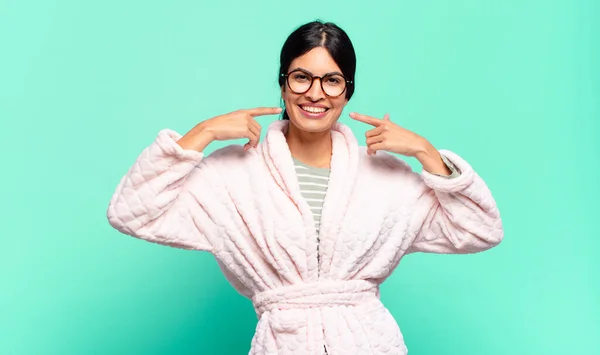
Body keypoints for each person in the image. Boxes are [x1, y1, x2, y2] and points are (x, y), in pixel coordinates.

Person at [106, 20, 503, 355]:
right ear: (282, 85)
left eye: (332, 81)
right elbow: (131, 211)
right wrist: (203, 133)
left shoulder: (385, 176)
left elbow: (480, 229)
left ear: (348, 91)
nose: (315, 93)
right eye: (301, 77)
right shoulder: (232, 175)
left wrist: (425, 152)